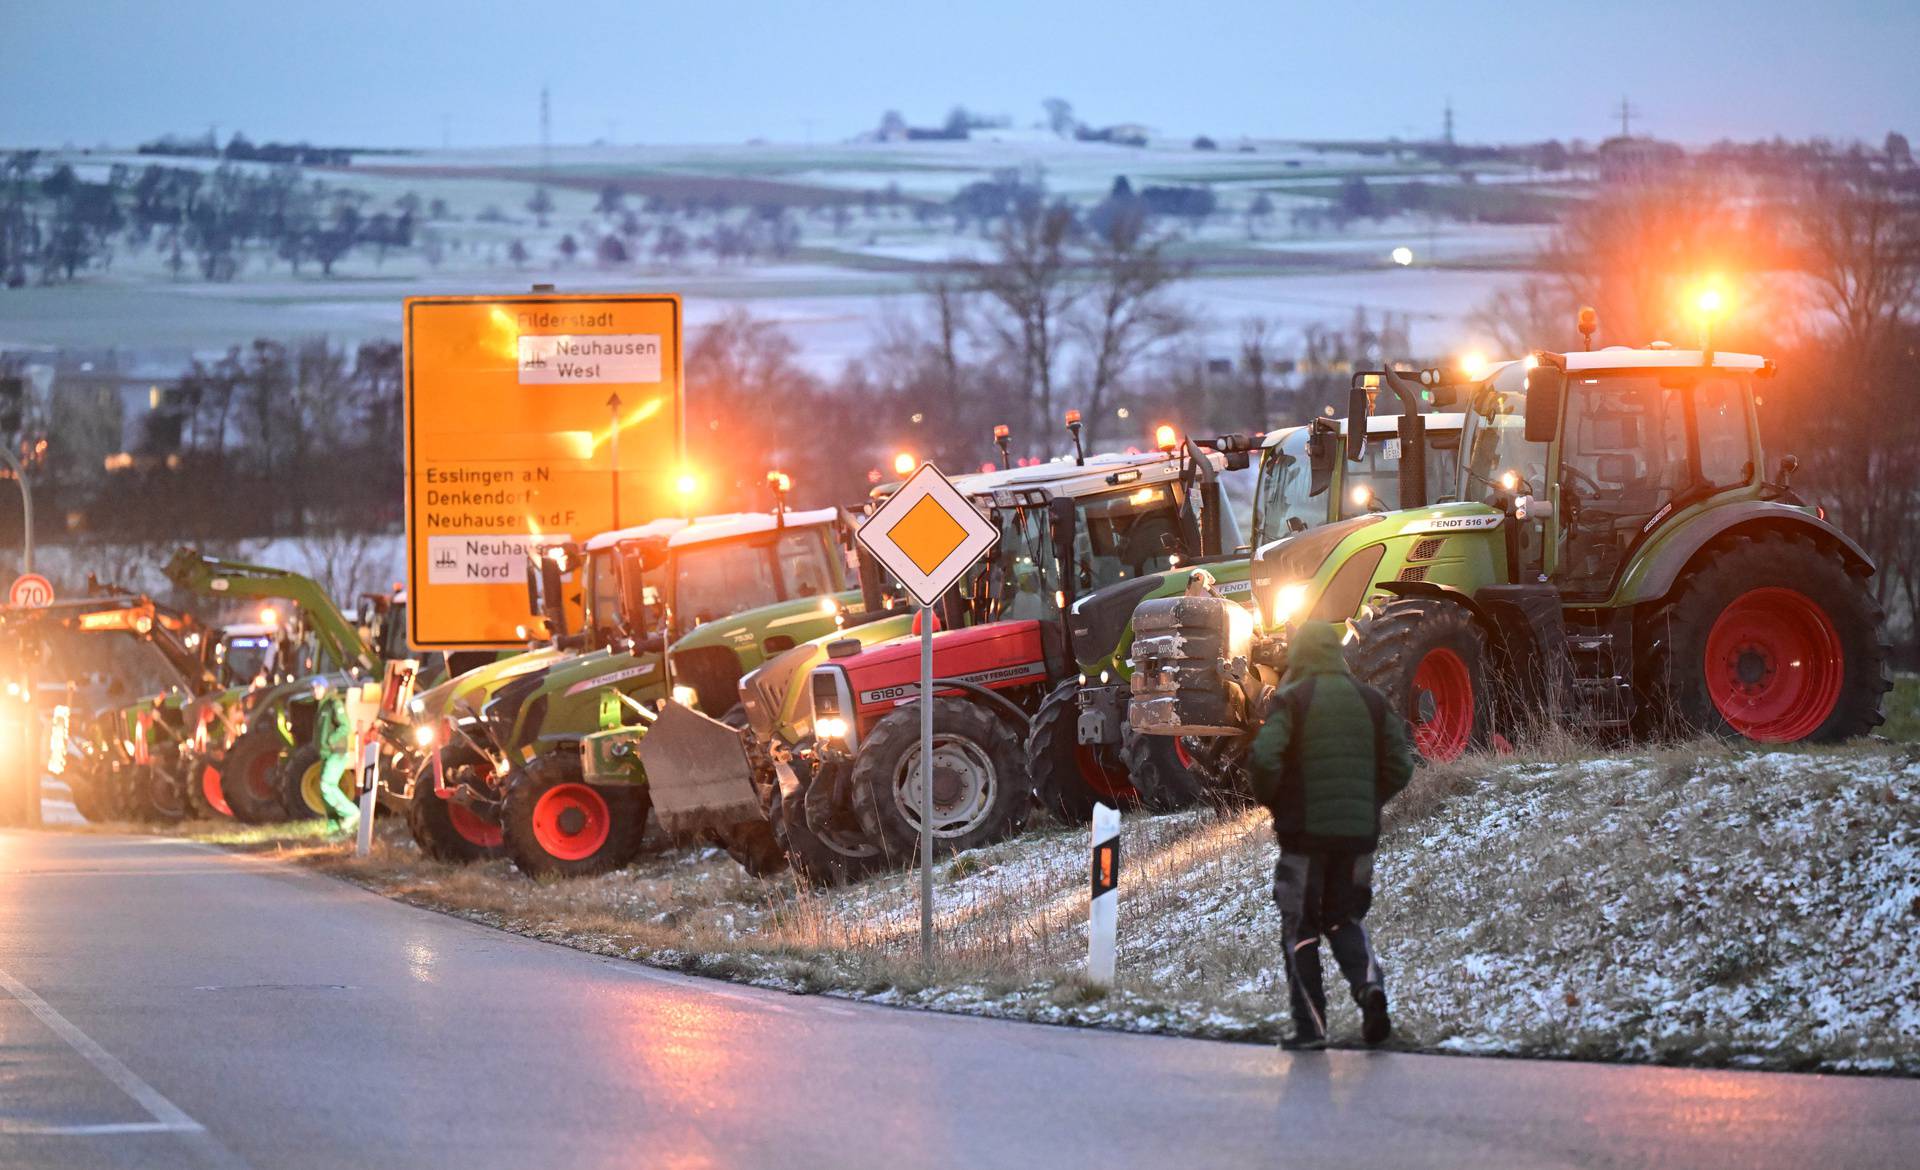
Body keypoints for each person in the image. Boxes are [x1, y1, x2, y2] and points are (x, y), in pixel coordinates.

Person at [1249, 620, 1415, 1051]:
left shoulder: (1293, 699)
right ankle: (1369, 989)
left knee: (1300, 925)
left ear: (1300, 654)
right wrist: (1369, 801)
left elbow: (1265, 760)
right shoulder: (1372, 701)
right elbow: (1402, 766)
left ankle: (1312, 1027)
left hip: (1305, 836)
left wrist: (1278, 803)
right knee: (1344, 918)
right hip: (1359, 835)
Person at [311, 678, 358, 836]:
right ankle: (334, 827)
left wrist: (331, 741)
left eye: (317, 687)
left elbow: (345, 726)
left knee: (327, 784)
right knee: (324, 790)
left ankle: (351, 813)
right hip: (326, 753)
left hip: (336, 752)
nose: (314, 691)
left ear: (325, 688)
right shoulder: (323, 704)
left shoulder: (334, 704)